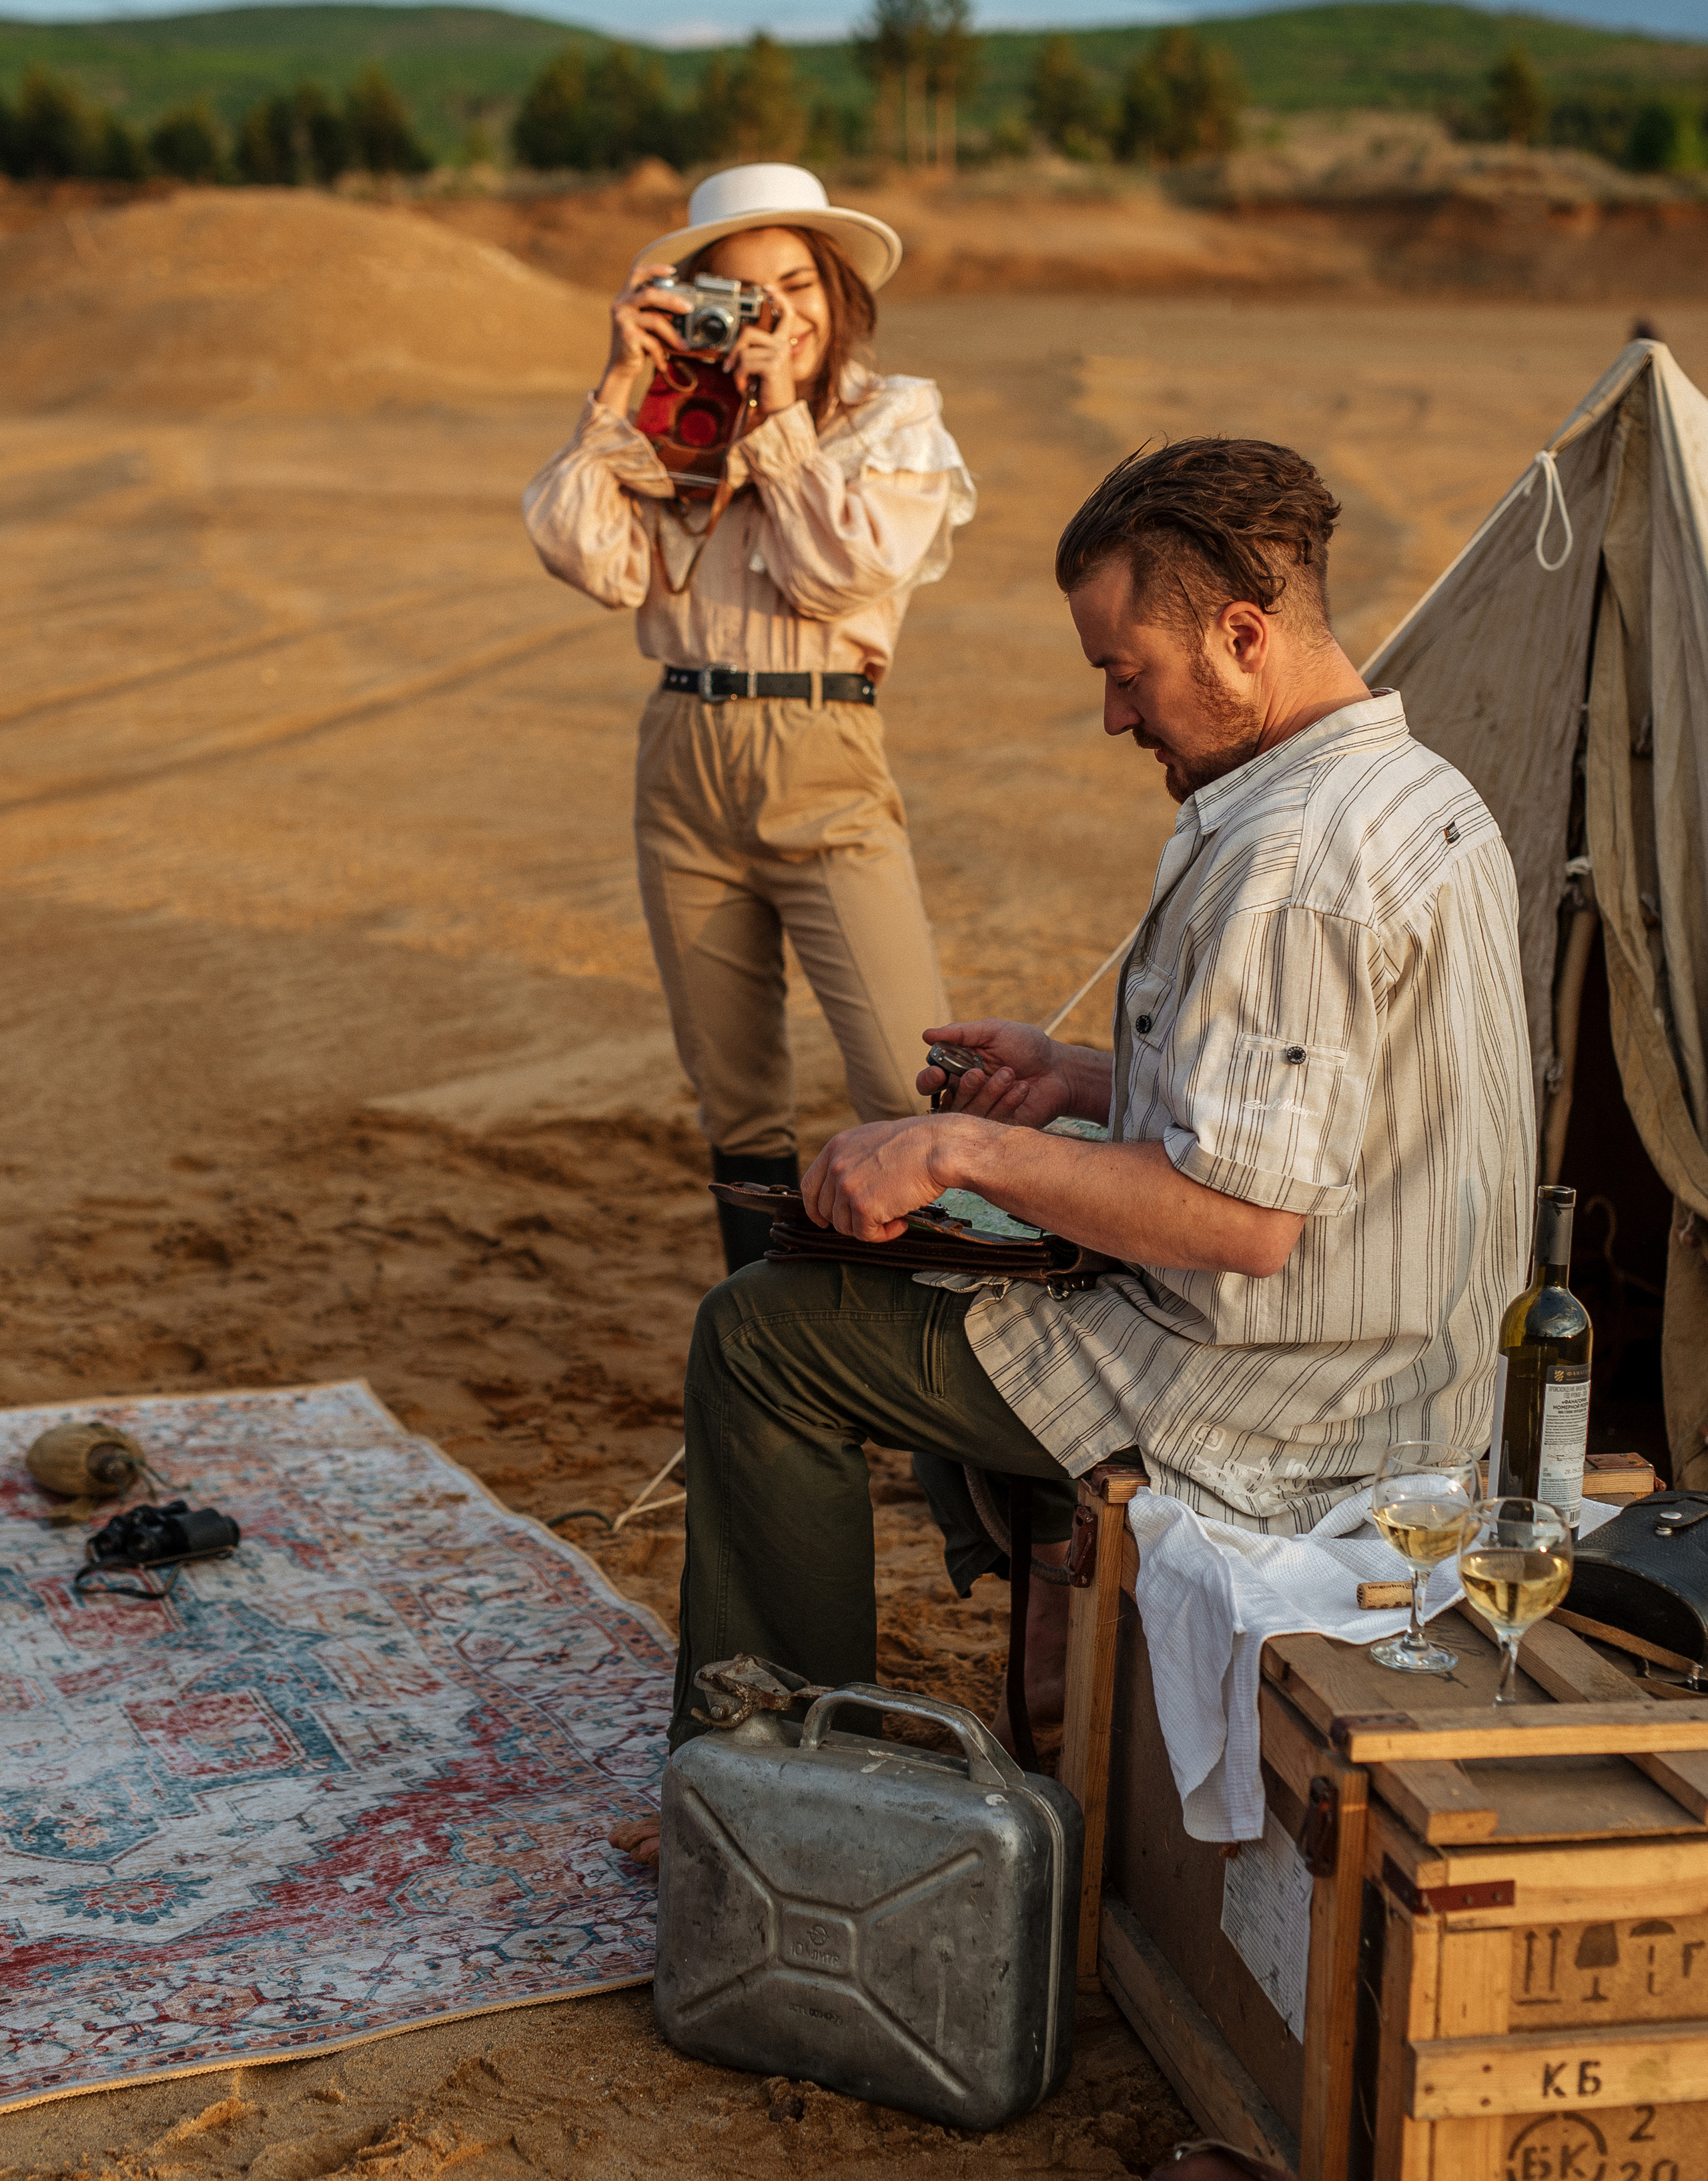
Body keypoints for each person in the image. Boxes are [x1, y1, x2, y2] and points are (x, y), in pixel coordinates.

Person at [654, 434, 1536, 1777]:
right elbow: (1337, 1112)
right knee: (928, 1273)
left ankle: (773, 1774)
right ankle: (1052, 1599)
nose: (1115, 717)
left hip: (1281, 1401)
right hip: (1389, 1362)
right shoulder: (1417, 792)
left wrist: (963, 1145)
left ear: (1241, 636)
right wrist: (1078, 1084)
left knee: (764, 1336)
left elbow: (1241, 1223)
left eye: (1126, 675)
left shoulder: (1292, 860)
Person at [522, 162, 974, 1277]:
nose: (775, 315)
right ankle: (769, 1350)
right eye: (738, 293)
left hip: (827, 756)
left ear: (837, 290)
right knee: (733, 1096)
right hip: (682, 759)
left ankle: (938, 1387)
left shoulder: (892, 418)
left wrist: (778, 420)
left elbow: (840, 573)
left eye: (795, 285)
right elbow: (591, 559)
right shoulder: (677, 424)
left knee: (901, 1076)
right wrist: (624, 383)